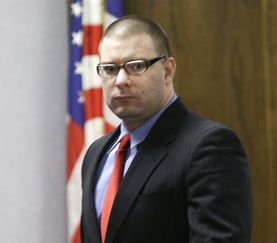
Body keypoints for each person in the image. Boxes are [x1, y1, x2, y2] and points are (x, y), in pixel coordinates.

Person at [80, 15, 252, 243]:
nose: (120, 80)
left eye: (136, 66)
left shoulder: (209, 147)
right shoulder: (96, 153)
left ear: (168, 71)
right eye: (110, 69)